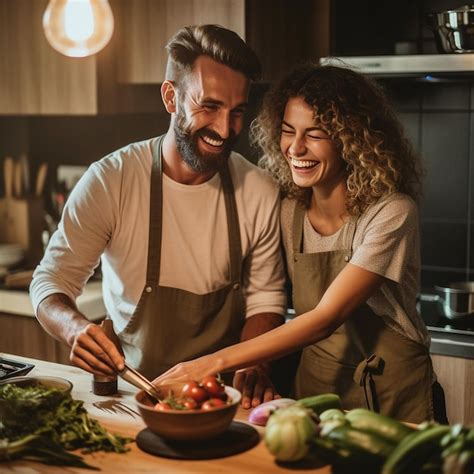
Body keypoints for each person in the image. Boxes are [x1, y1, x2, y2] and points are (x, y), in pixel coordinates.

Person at [153, 63, 448, 423]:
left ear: (350, 139)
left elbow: (326, 318)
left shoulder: (391, 213)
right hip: (315, 395)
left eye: (316, 134)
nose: (295, 147)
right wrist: (255, 363)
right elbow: (261, 288)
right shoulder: (289, 211)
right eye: (288, 131)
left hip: (393, 400)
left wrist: (208, 365)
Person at [30, 24, 287, 408]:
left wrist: (254, 363)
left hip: (219, 399)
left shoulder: (259, 190)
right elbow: (50, 281)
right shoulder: (111, 180)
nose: (224, 128)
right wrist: (74, 329)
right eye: (209, 106)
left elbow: (266, 300)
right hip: (132, 395)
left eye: (236, 112)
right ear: (171, 97)